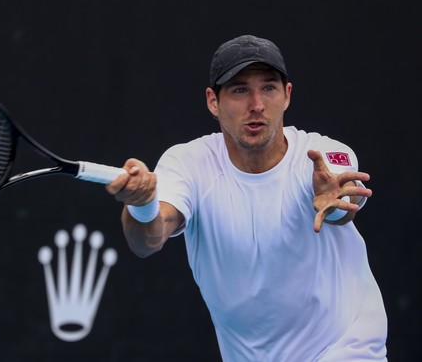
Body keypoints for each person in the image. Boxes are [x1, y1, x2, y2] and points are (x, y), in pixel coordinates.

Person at [106, 35, 388, 361]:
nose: (256, 104)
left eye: (268, 87)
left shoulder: (324, 156)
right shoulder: (188, 163)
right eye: (240, 89)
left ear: (287, 96)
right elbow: (146, 241)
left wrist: (335, 202)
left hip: (347, 348)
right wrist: (142, 205)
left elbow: (342, 201)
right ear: (213, 101)